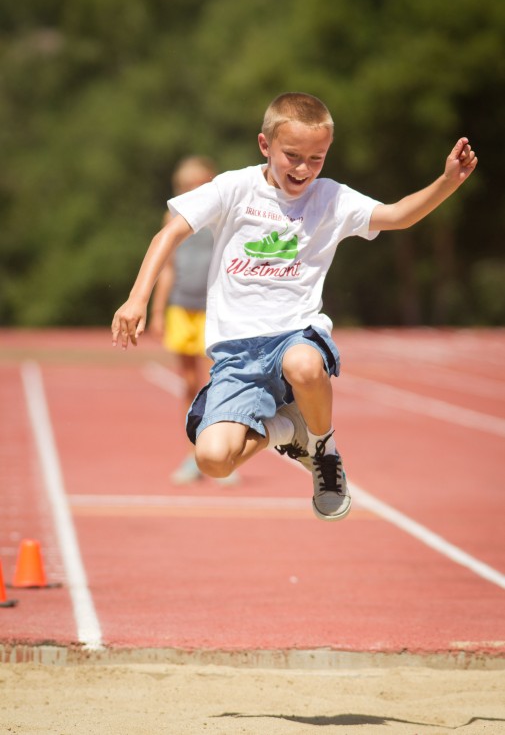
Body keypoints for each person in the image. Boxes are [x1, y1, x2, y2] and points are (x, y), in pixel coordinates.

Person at [112, 92, 477, 521]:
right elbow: (168, 235)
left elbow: (397, 216)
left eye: (317, 158)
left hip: (294, 333)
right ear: (265, 146)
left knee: (304, 366)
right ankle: (287, 428)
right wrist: (137, 298)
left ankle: (322, 447)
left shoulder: (330, 198)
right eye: (292, 156)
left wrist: (447, 182)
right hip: (235, 353)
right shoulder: (234, 188)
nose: (304, 169)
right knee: (213, 459)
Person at [148, 156, 238, 484]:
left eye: (198, 184)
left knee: (221, 384)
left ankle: (222, 456)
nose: (192, 191)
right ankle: (193, 455)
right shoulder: (171, 216)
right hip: (181, 309)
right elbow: (167, 267)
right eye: (185, 187)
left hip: (216, 311)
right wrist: (157, 311)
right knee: (188, 384)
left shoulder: (223, 216)